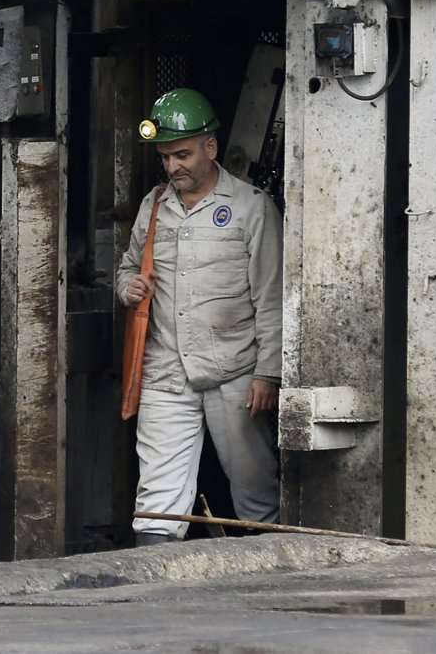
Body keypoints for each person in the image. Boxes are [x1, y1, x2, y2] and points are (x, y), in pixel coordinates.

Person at [117, 88, 282, 546]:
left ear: (210, 147)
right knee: (157, 498)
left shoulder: (252, 208)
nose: (173, 167)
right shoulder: (154, 206)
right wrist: (126, 286)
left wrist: (268, 372)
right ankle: (153, 591)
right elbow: (129, 266)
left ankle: (263, 587)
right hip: (166, 372)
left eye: (183, 154)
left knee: (255, 489)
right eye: (166, 157)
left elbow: (271, 297)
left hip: (236, 373)